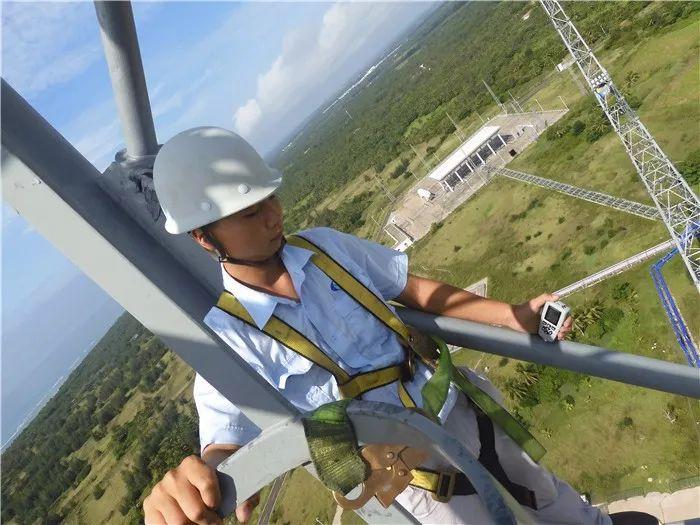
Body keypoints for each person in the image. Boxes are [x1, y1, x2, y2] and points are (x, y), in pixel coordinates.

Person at [142, 126, 611, 525]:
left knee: (548, 498)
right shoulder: (228, 338)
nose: (273, 216)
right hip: (415, 481)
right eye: (250, 213)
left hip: (461, 411)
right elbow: (224, 444)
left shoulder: (326, 249)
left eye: (271, 199)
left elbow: (414, 290)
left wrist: (510, 316)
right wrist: (195, 488)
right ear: (204, 238)